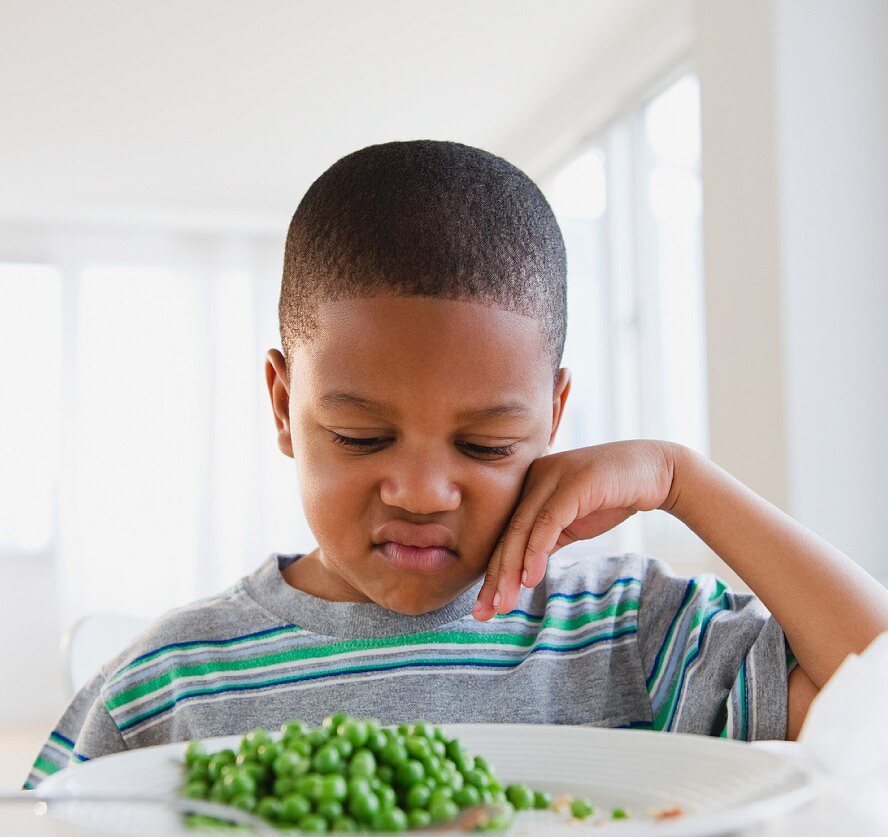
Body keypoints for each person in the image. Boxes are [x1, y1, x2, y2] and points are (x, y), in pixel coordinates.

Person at [22, 139, 888, 790]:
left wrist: (679, 478)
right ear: (284, 406)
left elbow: (873, 699)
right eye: (362, 437)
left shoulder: (632, 635)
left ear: (552, 417)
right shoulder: (171, 687)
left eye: (484, 446)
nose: (422, 492)